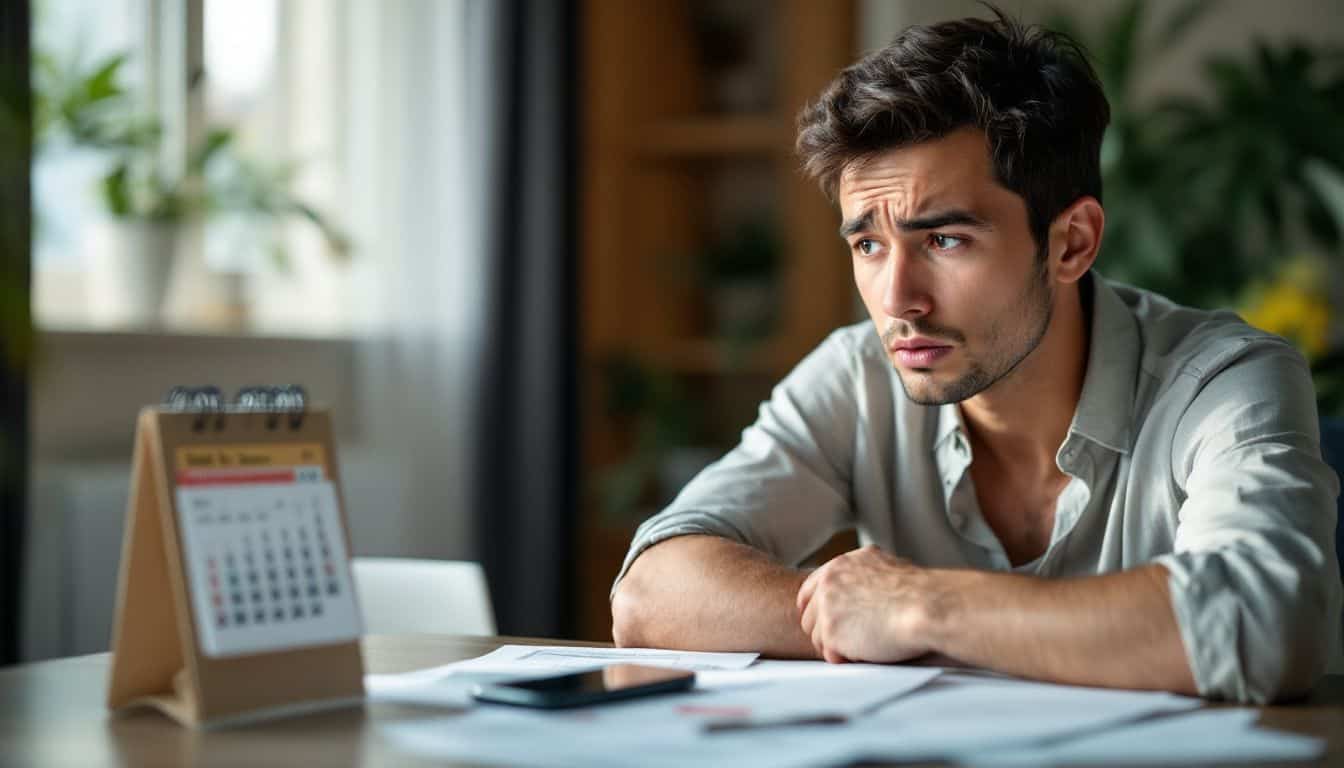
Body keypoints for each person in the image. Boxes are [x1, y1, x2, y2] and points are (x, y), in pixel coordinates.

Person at [608, 7, 1342, 704]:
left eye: (945, 240)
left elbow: (1265, 623)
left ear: (1071, 243)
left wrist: (920, 609)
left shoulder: (1224, 379)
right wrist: (966, 632)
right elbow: (653, 593)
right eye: (868, 244)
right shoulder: (858, 373)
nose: (897, 299)